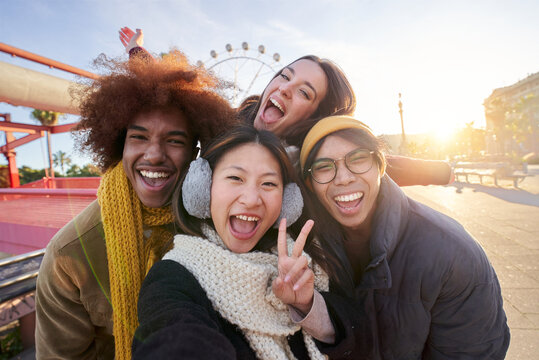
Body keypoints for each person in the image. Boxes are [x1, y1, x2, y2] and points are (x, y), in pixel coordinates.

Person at [35, 52, 237, 359]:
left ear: (196, 153)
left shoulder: (218, 225)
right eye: (139, 138)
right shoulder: (70, 253)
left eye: (174, 140)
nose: (154, 154)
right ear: (119, 146)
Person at [119, 26, 454, 187]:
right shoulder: (227, 123)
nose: (285, 89)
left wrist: (440, 171)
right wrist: (137, 52)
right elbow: (182, 95)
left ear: (316, 116)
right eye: (284, 76)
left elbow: (377, 162)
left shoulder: (312, 155)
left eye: (305, 93)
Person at [299, 115, 510, 359]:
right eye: (324, 167)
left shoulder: (452, 255)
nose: (344, 178)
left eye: (358, 160)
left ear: (381, 166)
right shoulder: (308, 252)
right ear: (310, 183)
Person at [131, 125, 333, 359]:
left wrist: (307, 305)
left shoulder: (306, 264)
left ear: (287, 201)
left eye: (268, 184)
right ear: (204, 188)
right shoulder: (173, 277)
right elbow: (173, 334)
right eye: (235, 178)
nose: (251, 199)